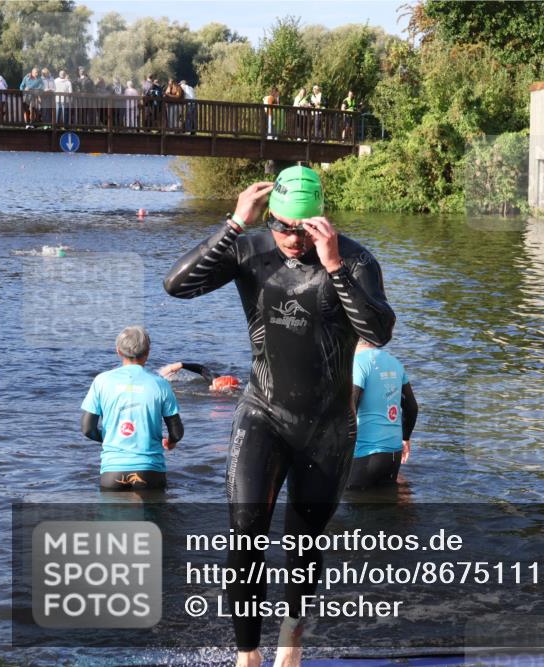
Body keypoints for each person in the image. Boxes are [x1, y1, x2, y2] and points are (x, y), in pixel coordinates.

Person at [163, 166, 394, 667]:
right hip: (263, 411)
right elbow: (175, 286)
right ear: (269, 217)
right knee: (245, 531)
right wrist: (233, 225)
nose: (291, 238)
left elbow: (378, 332)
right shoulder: (249, 249)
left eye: (304, 227)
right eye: (283, 225)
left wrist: (332, 265)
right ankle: (247, 653)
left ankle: (292, 630)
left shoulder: (354, 259)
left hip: (327, 426)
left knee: (303, 540)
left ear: (321, 220)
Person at [80, 326, 184, 491]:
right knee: (156, 516)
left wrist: (110, 438)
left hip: (112, 472)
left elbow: (87, 429)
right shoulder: (160, 384)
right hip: (150, 471)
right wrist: (171, 442)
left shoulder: (101, 381)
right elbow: (177, 433)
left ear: (118, 351)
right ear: (148, 352)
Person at [346, 338, 417, 490]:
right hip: (393, 455)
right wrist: (405, 438)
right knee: (386, 508)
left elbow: (350, 409)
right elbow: (412, 407)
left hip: (365, 455)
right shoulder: (395, 363)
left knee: (354, 508)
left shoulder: (358, 363)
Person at [158, 361, 241, 393]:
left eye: (214, 385)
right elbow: (202, 369)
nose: (210, 386)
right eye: (213, 384)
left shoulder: (228, 391)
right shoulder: (214, 378)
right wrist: (181, 365)